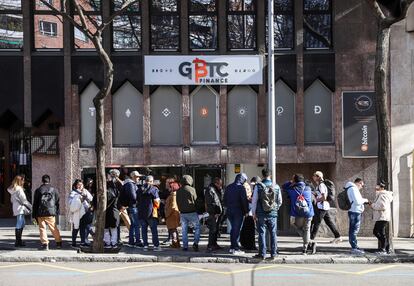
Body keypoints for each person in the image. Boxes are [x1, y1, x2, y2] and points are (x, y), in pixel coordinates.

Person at [252, 169, 282, 260]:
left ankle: (262, 254)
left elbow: (254, 201)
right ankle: (273, 253)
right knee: (273, 233)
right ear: (270, 176)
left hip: (261, 214)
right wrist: (275, 209)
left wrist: (254, 213)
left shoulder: (258, 186)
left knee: (261, 233)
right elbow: (280, 201)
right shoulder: (276, 186)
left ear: (262, 175)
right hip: (272, 214)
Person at [309, 171, 342, 254]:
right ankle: (338, 236)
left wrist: (317, 199)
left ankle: (311, 240)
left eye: (314, 175)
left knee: (316, 223)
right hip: (323, 206)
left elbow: (324, 197)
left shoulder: (321, 185)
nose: (313, 177)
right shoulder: (319, 185)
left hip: (322, 207)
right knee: (329, 222)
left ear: (318, 177)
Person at [283, 174, 314, 255]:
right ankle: (305, 247)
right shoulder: (308, 188)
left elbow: (283, 186)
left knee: (294, 225)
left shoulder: (292, 189)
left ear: (295, 181)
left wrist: (290, 182)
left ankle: (308, 242)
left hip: (297, 213)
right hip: (309, 212)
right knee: (307, 229)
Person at [32, 175, 62, 251]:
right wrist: (57, 211)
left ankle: (45, 244)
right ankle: (58, 242)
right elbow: (57, 201)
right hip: (51, 212)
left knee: (42, 228)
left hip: (40, 212)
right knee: (53, 227)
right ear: (49, 180)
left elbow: (35, 203)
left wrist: (34, 214)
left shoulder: (38, 190)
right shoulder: (54, 190)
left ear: (42, 181)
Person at [224, 173, 249, 255]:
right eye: (244, 180)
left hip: (229, 211)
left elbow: (224, 200)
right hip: (238, 212)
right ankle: (235, 248)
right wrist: (246, 211)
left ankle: (232, 247)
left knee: (233, 229)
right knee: (236, 230)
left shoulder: (228, 187)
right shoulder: (241, 188)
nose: (245, 182)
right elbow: (244, 201)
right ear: (242, 179)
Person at [137, 175, 162, 251]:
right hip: (150, 213)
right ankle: (156, 246)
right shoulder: (154, 189)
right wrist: (158, 208)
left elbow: (137, 200)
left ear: (145, 181)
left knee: (144, 230)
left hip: (141, 213)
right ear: (151, 181)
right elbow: (157, 201)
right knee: (154, 230)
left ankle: (145, 246)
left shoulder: (139, 189)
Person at [176, 175, 200, 251]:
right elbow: (195, 200)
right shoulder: (192, 189)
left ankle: (185, 246)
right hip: (192, 211)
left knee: (184, 230)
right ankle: (195, 243)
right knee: (197, 228)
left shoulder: (178, 191)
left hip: (182, 213)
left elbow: (177, 202)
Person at [345, 177, 368, 255]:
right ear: (359, 183)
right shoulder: (353, 189)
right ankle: (354, 248)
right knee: (354, 230)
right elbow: (358, 201)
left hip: (353, 211)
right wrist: (365, 200)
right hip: (355, 211)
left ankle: (354, 246)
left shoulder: (350, 188)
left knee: (353, 230)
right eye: (362, 185)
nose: (362, 187)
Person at [68, 179, 93, 248]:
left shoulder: (86, 191)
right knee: (76, 228)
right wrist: (78, 200)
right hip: (77, 213)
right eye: (78, 185)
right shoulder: (73, 193)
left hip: (86, 212)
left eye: (81, 185)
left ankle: (83, 241)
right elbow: (70, 203)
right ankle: (73, 242)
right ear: (75, 185)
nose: (80, 186)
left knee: (84, 228)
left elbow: (91, 199)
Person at [8, 175, 32, 247]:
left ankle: (19, 241)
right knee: (19, 224)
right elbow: (24, 200)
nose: (24, 181)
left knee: (21, 223)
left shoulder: (13, 189)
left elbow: (11, 200)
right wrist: (31, 206)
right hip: (20, 208)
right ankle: (18, 242)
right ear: (19, 181)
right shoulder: (19, 189)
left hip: (16, 207)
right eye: (23, 180)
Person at [369, 182, 393, 254]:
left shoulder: (383, 195)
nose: (375, 188)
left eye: (377, 187)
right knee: (380, 232)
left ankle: (383, 248)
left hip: (382, 217)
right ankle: (386, 247)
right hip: (381, 217)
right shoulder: (380, 194)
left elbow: (383, 206)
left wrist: (372, 205)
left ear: (381, 188)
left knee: (377, 232)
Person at [121, 171, 143, 248]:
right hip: (133, 206)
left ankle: (131, 241)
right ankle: (137, 241)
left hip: (131, 206)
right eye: (137, 177)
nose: (138, 178)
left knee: (133, 224)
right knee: (136, 224)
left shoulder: (129, 184)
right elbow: (133, 196)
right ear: (133, 176)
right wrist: (138, 200)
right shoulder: (130, 184)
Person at [205, 177, 223, 252]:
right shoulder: (210, 190)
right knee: (213, 229)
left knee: (216, 229)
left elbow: (219, 200)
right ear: (216, 183)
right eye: (219, 184)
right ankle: (210, 245)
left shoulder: (215, 189)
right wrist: (215, 212)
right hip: (213, 213)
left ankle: (214, 244)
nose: (220, 186)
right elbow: (211, 203)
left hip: (217, 212)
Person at [104, 171, 121, 248]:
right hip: (110, 209)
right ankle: (110, 243)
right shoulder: (107, 184)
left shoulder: (118, 184)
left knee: (111, 227)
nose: (113, 176)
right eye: (112, 174)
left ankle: (111, 243)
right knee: (108, 227)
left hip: (113, 209)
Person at [239, 177, 257, 251]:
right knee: (250, 229)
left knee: (246, 228)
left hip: (248, 211)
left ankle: (245, 243)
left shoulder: (243, 186)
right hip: (249, 211)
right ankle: (250, 245)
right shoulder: (246, 186)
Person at [164, 178, 181, 248]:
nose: (168, 188)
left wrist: (167, 214)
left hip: (172, 215)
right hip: (172, 214)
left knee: (173, 229)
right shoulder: (173, 195)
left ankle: (175, 243)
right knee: (173, 229)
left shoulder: (173, 195)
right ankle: (176, 244)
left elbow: (173, 206)